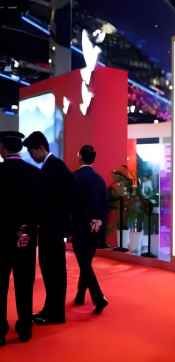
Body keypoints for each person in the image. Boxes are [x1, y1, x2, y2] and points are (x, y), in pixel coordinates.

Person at [23, 131, 74, 325]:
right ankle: (52, 310)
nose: (32, 156)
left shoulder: (53, 167)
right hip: (53, 227)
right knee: (52, 270)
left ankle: (54, 313)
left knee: (53, 271)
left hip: (51, 228)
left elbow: (55, 199)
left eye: (31, 151)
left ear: (40, 148)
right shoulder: (54, 165)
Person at [0, 131, 40, 345]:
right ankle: (25, 327)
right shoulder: (34, 173)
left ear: (3, 149)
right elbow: (40, 207)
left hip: (1, 236)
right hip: (26, 235)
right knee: (24, 281)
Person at [71, 145, 109, 314]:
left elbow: (72, 206)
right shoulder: (99, 180)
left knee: (84, 263)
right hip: (96, 227)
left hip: (80, 227)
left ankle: (98, 297)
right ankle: (80, 295)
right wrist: (99, 223)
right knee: (85, 262)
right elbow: (104, 206)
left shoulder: (75, 178)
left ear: (79, 156)